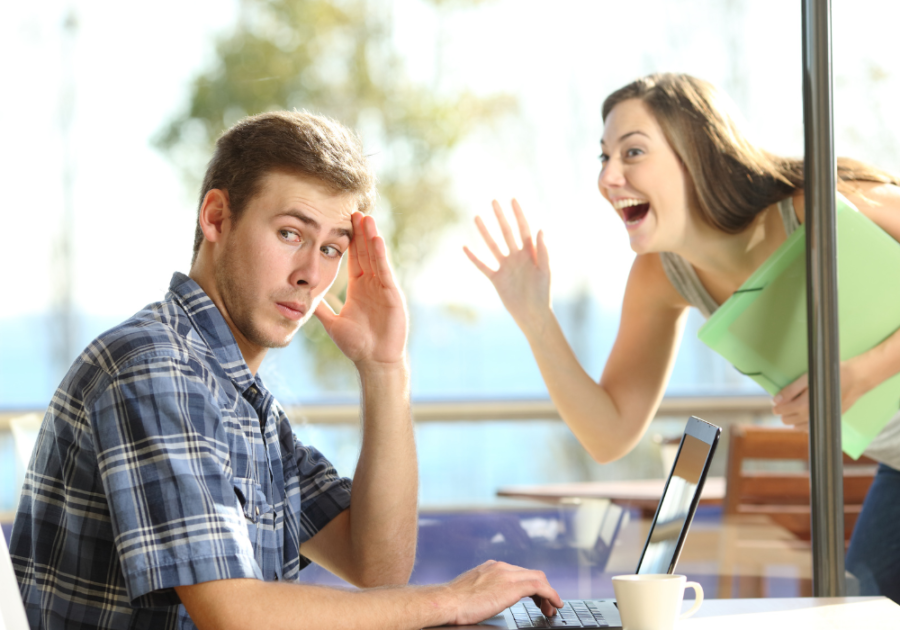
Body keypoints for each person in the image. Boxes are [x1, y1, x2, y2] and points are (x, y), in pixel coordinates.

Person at [10, 110, 561, 630]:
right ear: (217, 218)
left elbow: (378, 567)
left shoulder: (243, 400)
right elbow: (234, 613)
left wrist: (384, 367)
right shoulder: (155, 368)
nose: (310, 274)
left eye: (331, 249)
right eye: (291, 234)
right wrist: (451, 601)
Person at [465, 72, 900, 601]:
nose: (608, 177)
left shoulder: (811, 206)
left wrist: (862, 372)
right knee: (861, 612)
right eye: (604, 157)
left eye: (633, 152)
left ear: (695, 150)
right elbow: (610, 434)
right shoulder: (661, 275)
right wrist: (536, 319)